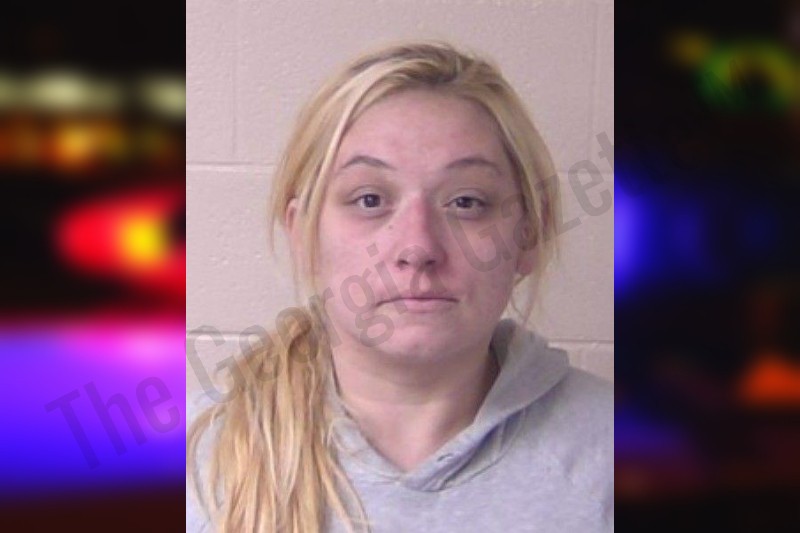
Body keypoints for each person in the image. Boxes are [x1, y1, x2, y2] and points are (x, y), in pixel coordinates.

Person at [187, 40, 613, 533]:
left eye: (467, 202)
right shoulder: (192, 463)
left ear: (530, 235)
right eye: (370, 199)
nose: (418, 247)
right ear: (302, 234)